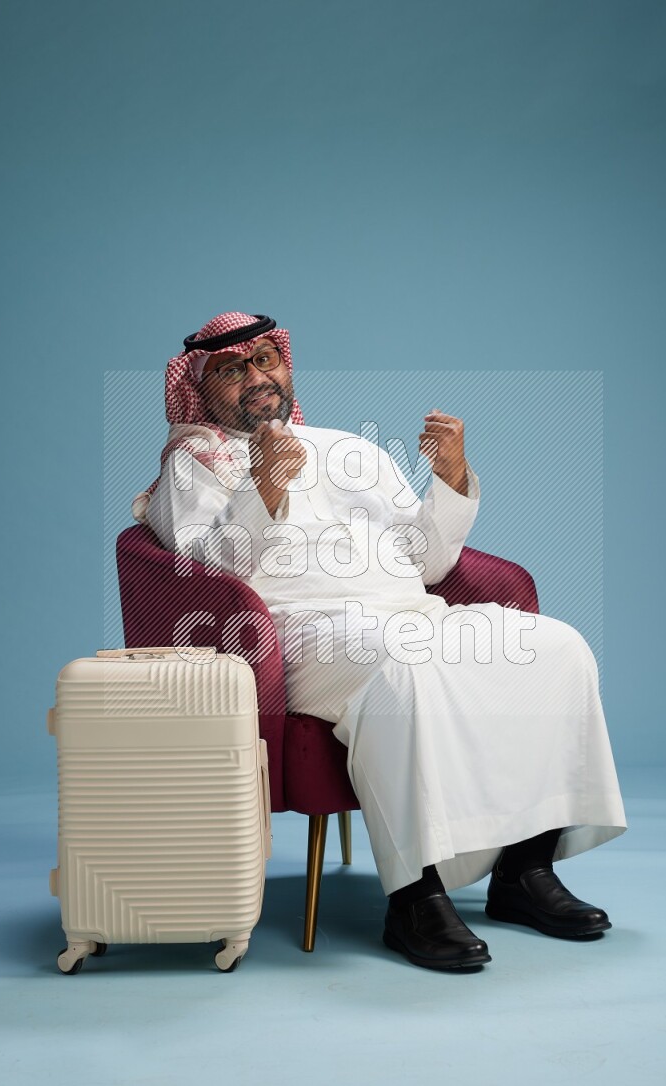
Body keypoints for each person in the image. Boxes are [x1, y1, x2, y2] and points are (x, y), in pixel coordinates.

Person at [133, 310, 627, 972]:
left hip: (407, 610)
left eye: (264, 361)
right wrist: (263, 487)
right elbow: (204, 574)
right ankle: (415, 897)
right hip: (292, 633)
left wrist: (450, 481)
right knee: (403, 667)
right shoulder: (190, 465)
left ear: (284, 366)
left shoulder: (348, 450)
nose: (255, 377)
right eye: (231, 369)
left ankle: (525, 870)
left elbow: (427, 561)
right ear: (200, 386)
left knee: (555, 648)